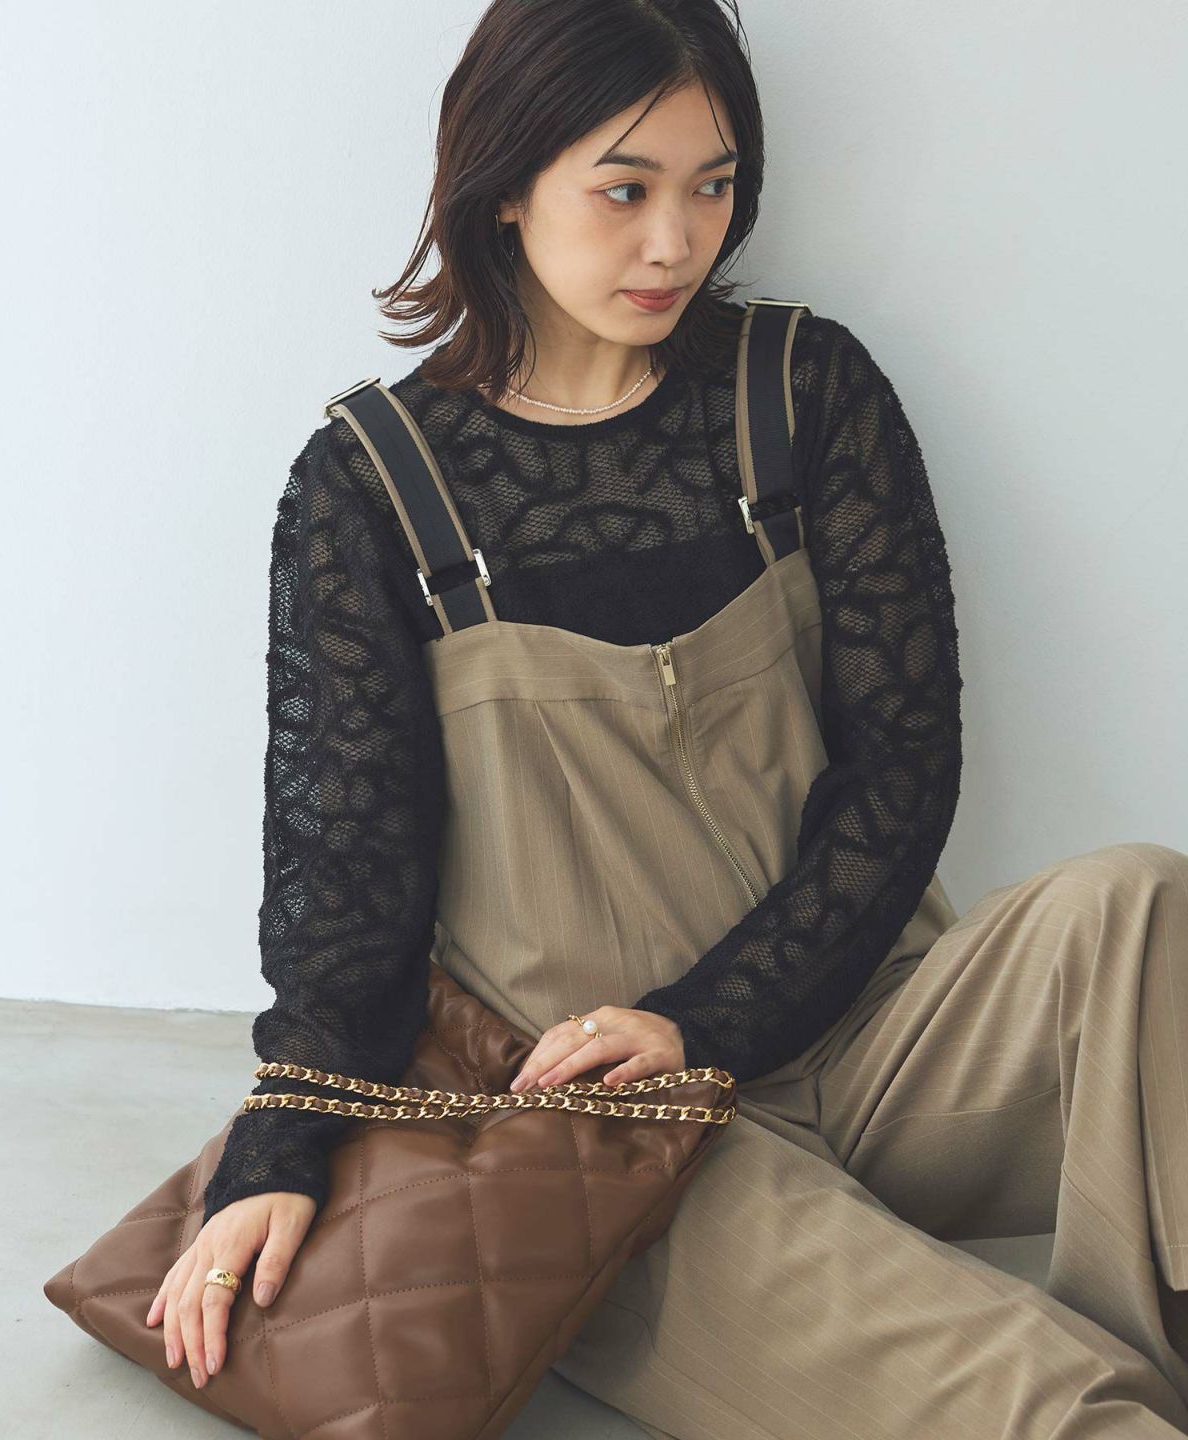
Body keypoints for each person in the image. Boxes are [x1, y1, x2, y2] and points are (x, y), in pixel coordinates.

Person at [144, 2, 1188, 1434]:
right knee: (1053, 1408)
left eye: (712, 186)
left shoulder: (804, 390)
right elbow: (348, 870)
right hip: (613, 1137)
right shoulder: (371, 484)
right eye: (625, 190)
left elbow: (902, 770)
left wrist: (704, 1020)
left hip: (870, 1036)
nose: (676, 242)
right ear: (505, 189)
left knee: (1143, 901)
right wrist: (277, 1154)